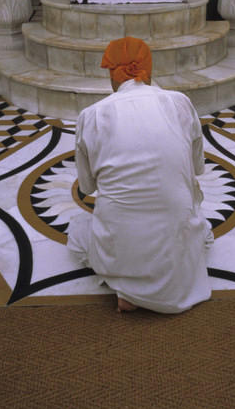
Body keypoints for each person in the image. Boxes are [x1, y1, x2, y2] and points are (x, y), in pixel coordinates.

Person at [67, 36, 212, 314]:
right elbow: (196, 169)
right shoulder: (180, 102)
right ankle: (158, 283)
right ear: (149, 69)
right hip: (175, 233)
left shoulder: (90, 115)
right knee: (202, 231)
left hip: (120, 243)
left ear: (112, 73)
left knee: (77, 229)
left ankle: (126, 288)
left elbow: (87, 187)